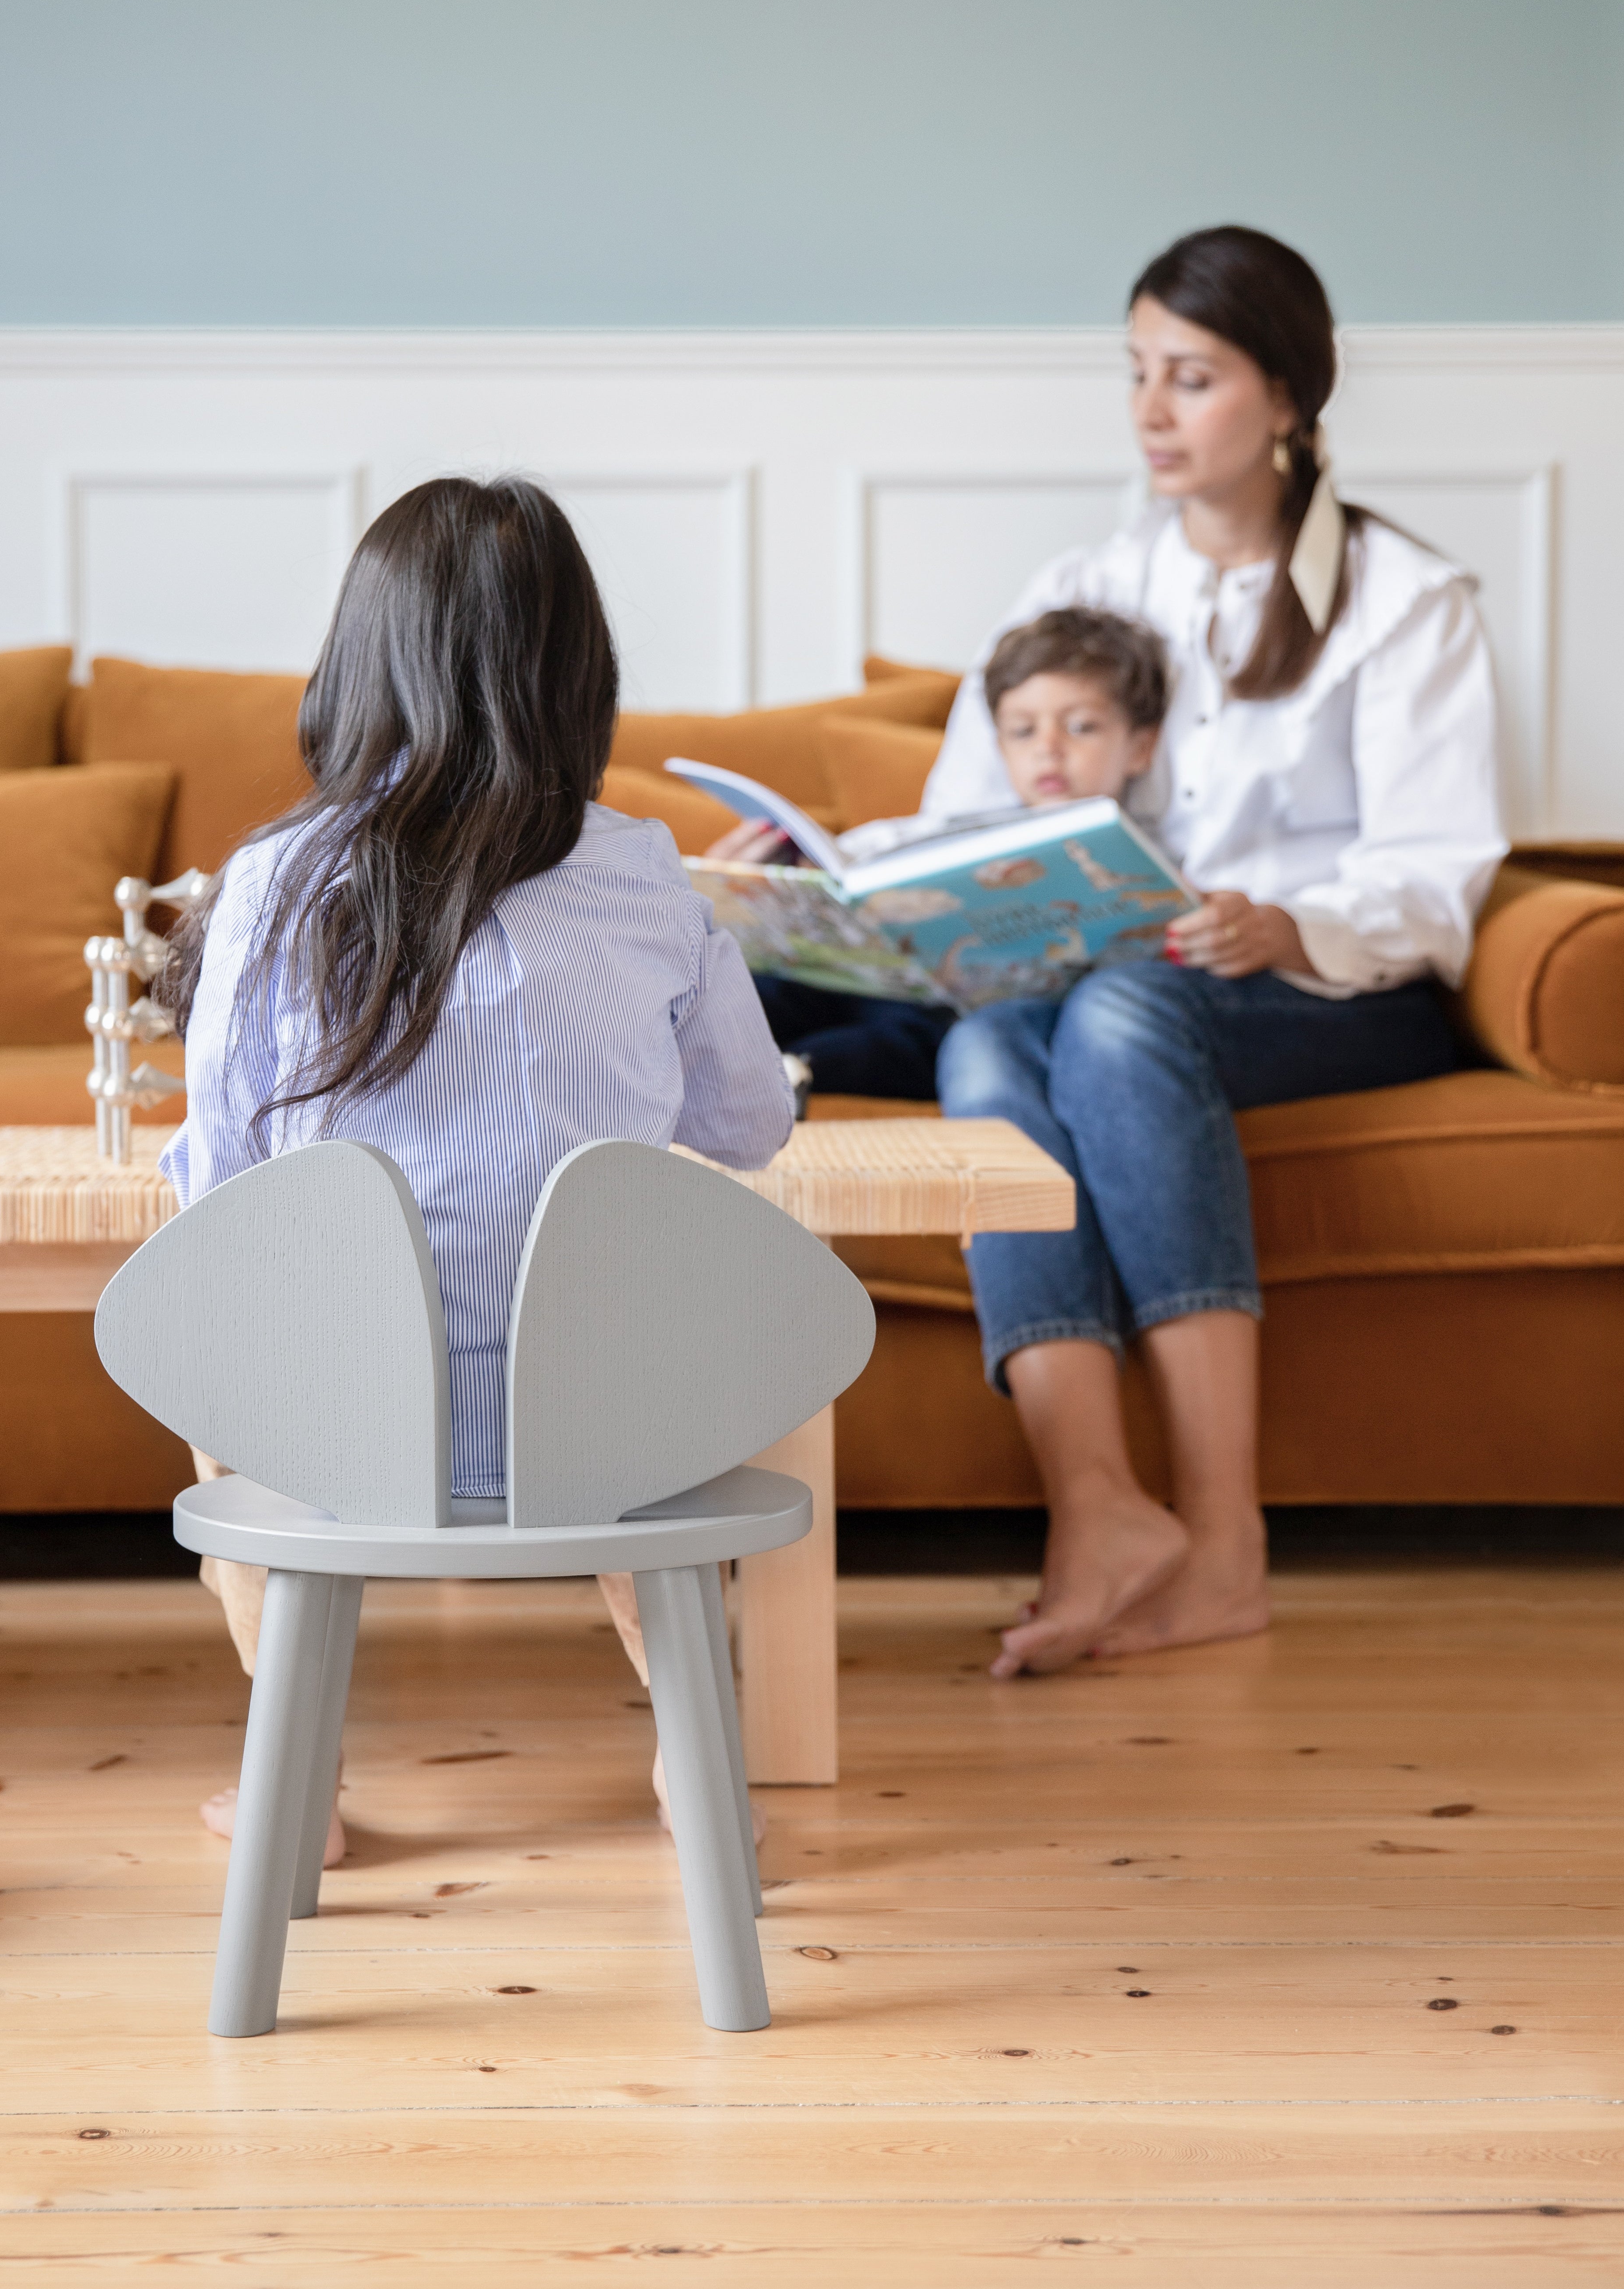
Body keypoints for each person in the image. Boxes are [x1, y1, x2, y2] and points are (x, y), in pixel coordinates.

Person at [159, 477, 792, 1861]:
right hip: (601, 1431)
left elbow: (219, 1177)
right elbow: (748, 1129)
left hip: (343, 1425)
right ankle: (697, 1752)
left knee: (225, 1345)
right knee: (646, 1336)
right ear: (577, 673)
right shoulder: (644, 873)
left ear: (357, 661)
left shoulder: (269, 880)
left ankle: (296, 1785)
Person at [926, 225, 1506, 1678]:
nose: (1149, 412)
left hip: (1327, 993)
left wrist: (1285, 925)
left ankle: (1226, 1538)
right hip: (1107, 991)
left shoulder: (1404, 602)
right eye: (1136, 374)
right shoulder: (1082, 584)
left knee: (1124, 1015)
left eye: (1189, 377)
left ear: (1290, 401)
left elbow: (1436, 885)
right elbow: (960, 820)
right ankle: (1098, 1510)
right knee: (986, 1041)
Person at [718, 606, 1172, 1099]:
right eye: (1023, 731)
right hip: (869, 978)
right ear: (999, 747)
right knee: (773, 989)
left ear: (1141, 748)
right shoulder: (952, 829)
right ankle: (692, 1056)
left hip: (958, 1014)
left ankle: (790, 1073)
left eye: (1081, 727)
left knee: (909, 1042)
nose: (1049, 748)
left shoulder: (1142, 860)